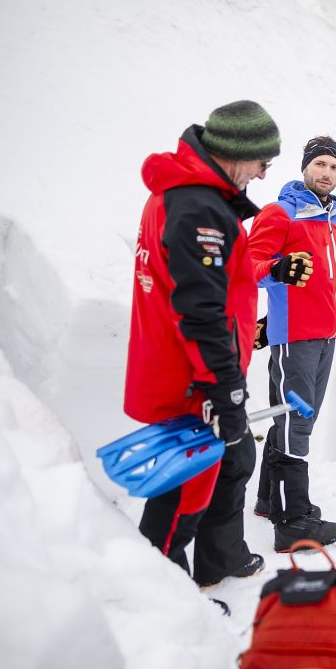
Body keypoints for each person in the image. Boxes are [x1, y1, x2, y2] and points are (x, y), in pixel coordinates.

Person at [125, 100, 280, 588]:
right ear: (237, 153)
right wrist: (226, 391)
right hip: (191, 383)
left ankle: (181, 584)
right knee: (179, 505)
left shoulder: (182, 196)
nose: (262, 173)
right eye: (262, 163)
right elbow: (201, 313)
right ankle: (158, 601)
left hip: (184, 373)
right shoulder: (199, 208)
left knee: (191, 488)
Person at [247, 136, 336, 549]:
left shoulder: (335, 219)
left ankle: (271, 501)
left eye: (334, 167)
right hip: (296, 339)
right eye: (320, 164)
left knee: (293, 420)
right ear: (306, 166)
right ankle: (293, 522)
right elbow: (248, 264)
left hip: (325, 336)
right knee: (296, 422)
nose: (327, 173)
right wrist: (278, 269)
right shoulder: (280, 212)